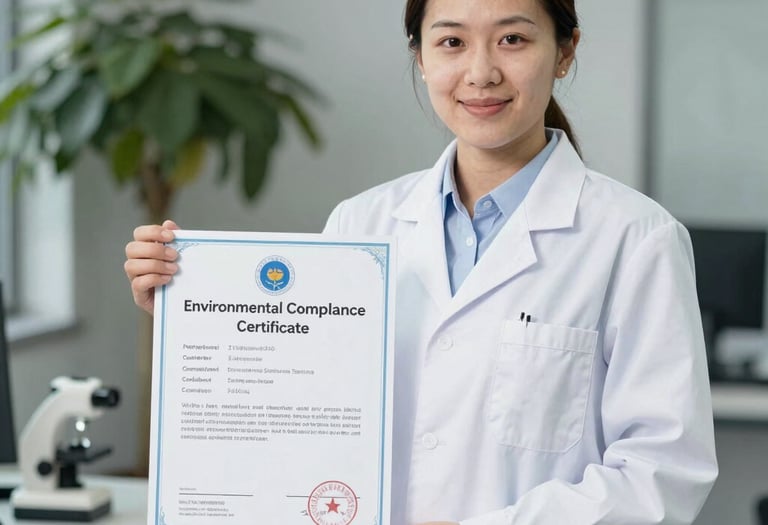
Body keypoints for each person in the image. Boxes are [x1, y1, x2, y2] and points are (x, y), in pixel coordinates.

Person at [125, 0, 718, 523]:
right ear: (421, 57)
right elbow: (293, 411)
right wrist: (192, 308)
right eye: (452, 41)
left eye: (513, 38)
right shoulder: (360, 226)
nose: (481, 72)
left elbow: (661, 474)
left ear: (564, 52)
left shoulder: (635, 240)